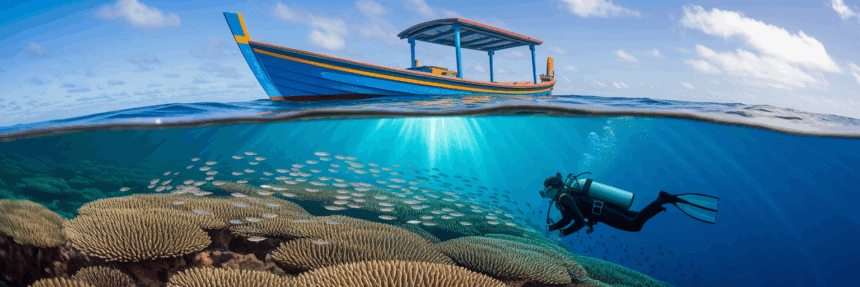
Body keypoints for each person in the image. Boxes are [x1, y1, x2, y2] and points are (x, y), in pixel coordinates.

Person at [540, 172, 720, 236]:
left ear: (552, 189)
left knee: (634, 225)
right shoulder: (564, 198)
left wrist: (561, 232)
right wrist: (554, 227)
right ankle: (660, 204)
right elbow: (569, 218)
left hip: (603, 212)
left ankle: (662, 200)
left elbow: (578, 221)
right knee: (634, 217)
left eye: (546, 192)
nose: (545, 196)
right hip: (603, 209)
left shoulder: (564, 198)